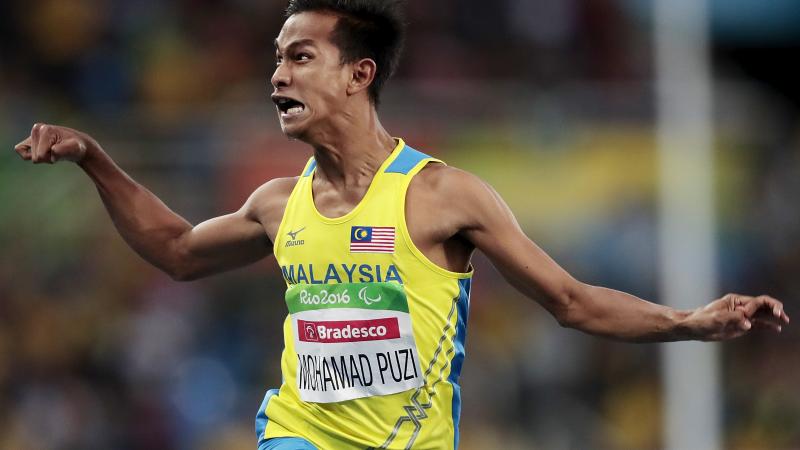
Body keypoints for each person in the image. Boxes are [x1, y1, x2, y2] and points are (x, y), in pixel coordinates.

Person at [13, 0, 790, 449]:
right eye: (276, 57)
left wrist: (691, 321)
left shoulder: (443, 196)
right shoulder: (277, 204)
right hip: (297, 437)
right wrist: (94, 159)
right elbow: (177, 252)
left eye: (301, 56)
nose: (277, 74)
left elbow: (571, 301)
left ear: (360, 74)